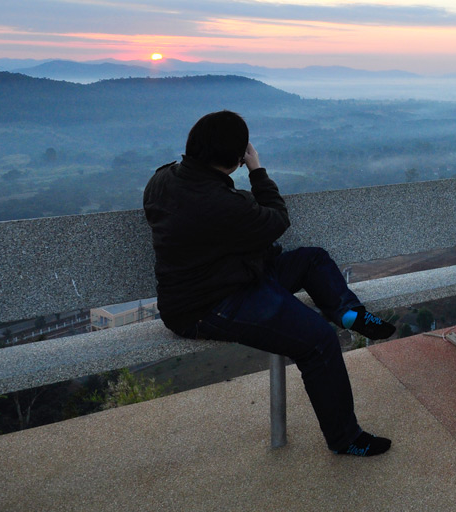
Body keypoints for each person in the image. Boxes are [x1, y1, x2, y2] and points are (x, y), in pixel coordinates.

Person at [143, 110, 396, 456]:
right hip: (207, 305)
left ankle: (349, 312)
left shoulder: (162, 179)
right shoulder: (222, 203)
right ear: (234, 158)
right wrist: (257, 170)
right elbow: (277, 219)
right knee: (318, 340)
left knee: (313, 259)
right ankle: (345, 438)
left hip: (239, 275)